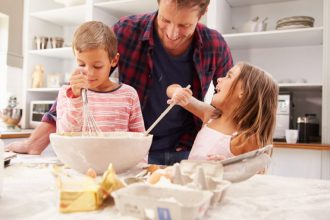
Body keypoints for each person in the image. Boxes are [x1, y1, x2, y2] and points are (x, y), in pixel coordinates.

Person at [6, 0, 233, 165]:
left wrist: (234, 153)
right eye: (165, 20)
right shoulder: (126, 32)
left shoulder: (215, 45)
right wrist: (36, 142)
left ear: (201, 14)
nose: (173, 33)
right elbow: (85, 82)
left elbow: (232, 107)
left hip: (185, 151)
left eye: (184, 25)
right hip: (128, 153)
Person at [167, 62, 278, 160]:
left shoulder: (247, 139)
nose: (219, 79)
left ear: (244, 92)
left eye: (229, 76)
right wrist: (177, 91)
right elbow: (171, 89)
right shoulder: (210, 115)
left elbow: (256, 177)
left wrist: (228, 167)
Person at [56, 21, 144, 133]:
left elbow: (139, 141)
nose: (89, 73)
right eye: (81, 64)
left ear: (114, 60)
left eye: (97, 66)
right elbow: (63, 135)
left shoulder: (128, 95)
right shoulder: (67, 93)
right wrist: (75, 99)